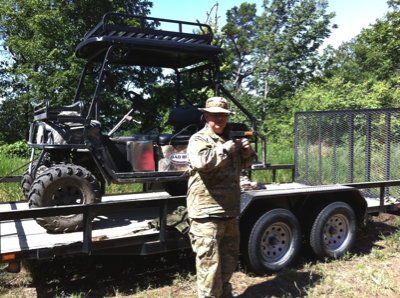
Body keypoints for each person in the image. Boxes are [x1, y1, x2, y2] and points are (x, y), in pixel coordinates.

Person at [187, 96, 256, 298]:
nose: (220, 119)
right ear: (206, 116)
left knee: (227, 262)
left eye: (223, 116)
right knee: (209, 267)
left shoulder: (227, 139)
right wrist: (224, 148)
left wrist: (246, 152)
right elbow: (201, 162)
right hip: (206, 214)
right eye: (215, 115)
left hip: (229, 211)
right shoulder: (199, 139)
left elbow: (241, 165)